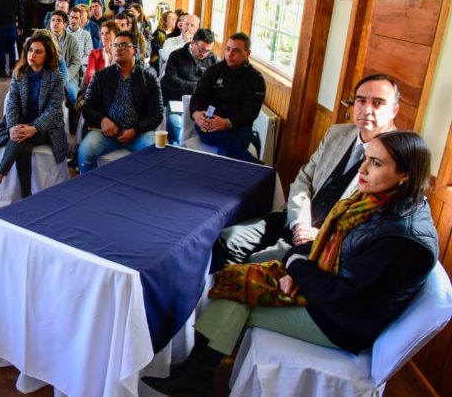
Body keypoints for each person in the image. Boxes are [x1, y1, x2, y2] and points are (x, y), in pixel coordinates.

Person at [144, 130, 438, 397]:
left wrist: (296, 267)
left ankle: (196, 381)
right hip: (326, 292)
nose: (362, 169)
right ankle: (196, 375)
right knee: (235, 276)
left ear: (405, 175)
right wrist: (294, 266)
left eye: (376, 163)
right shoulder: (378, 203)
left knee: (236, 293)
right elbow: (333, 248)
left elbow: (349, 299)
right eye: (366, 158)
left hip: (340, 324)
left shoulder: (403, 239)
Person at [211, 74, 402, 272]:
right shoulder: (338, 133)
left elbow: (373, 223)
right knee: (225, 239)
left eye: (378, 103)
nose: (366, 109)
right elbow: (304, 178)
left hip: (328, 241)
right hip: (296, 217)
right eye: (361, 100)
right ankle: (209, 297)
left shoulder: (396, 157)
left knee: (256, 264)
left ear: (394, 110)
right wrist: (299, 221)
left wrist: (319, 235)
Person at [0, 33, 67, 201]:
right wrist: (12, 127)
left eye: (38, 52)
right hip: (22, 125)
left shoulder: (56, 76)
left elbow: (54, 109)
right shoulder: (19, 74)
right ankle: (26, 195)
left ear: (48, 55)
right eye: (30, 50)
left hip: (47, 129)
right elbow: (12, 105)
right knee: (22, 141)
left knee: (22, 140)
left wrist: (35, 128)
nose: (32, 55)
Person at [78, 31, 163, 173]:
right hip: (106, 133)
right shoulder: (101, 76)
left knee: (156, 152)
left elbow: (157, 113)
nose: (118, 48)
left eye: (124, 45)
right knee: (85, 151)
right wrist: (102, 120)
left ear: (134, 50)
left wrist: (136, 129)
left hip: (138, 133)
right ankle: (89, 190)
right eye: (115, 45)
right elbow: (87, 107)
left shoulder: (149, 79)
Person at [189, 32, 265, 161]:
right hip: (209, 123)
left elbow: (251, 113)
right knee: (227, 142)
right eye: (228, 49)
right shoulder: (213, 71)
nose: (230, 54)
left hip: (238, 126)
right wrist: (196, 114)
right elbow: (197, 97)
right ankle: (252, 162)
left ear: (247, 54)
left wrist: (227, 123)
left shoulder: (256, 79)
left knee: (227, 151)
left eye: (236, 51)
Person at [161, 28, 217, 145]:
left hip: (199, 104)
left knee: (206, 130)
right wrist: (199, 87)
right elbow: (170, 80)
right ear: (193, 43)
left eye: (208, 51)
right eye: (202, 50)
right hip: (177, 100)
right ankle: (174, 149)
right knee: (176, 126)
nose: (204, 54)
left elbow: (214, 86)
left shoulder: (212, 59)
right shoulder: (176, 55)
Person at [49, 10, 81, 105]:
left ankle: (75, 117)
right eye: (53, 20)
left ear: (65, 24)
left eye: (59, 20)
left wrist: (64, 77)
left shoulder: (72, 40)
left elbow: (76, 63)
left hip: (69, 75)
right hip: (49, 75)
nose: (55, 23)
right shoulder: (45, 39)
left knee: (72, 94)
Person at [0, 0, 23, 77]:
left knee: (1, 49)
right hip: (11, 26)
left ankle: (2, 70)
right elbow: (20, 13)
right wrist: (21, 26)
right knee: (12, 49)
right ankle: (12, 69)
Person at [84, 20, 120, 88]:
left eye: (107, 33)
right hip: (98, 92)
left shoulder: (121, 55)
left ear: (116, 35)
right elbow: (89, 77)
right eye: (102, 33)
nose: (104, 37)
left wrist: (98, 77)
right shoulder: (94, 54)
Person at [67, 7, 93, 71]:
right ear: (68, 18)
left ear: (80, 19)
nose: (73, 20)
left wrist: (76, 63)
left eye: (76, 18)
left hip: (80, 66)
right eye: (72, 17)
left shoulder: (86, 34)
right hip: (64, 65)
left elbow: (89, 55)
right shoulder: (62, 33)